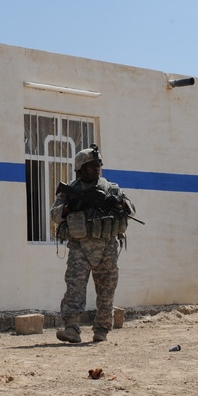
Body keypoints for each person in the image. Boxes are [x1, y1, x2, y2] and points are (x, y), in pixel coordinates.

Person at [51, 145, 135, 344]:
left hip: (107, 246)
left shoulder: (111, 188)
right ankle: (72, 328)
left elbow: (131, 210)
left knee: (107, 288)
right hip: (80, 246)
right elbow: (54, 215)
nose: (97, 168)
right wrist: (70, 206)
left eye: (98, 165)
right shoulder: (70, 191)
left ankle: (102, 330)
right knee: (75, 287)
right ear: (80, 169)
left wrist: (119, 202)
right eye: (92, 165)